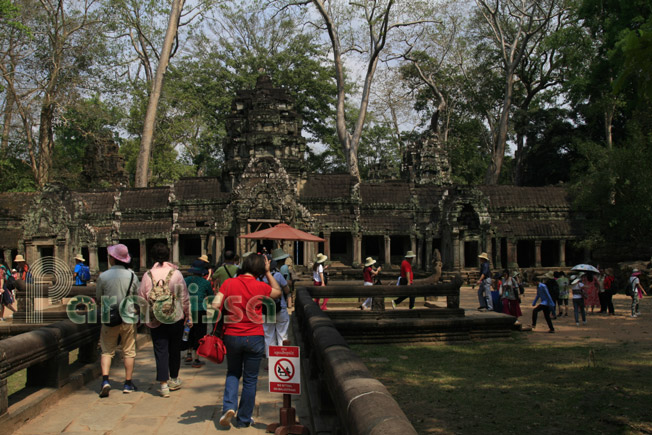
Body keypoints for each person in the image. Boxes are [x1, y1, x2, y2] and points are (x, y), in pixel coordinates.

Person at [212, 253, 281, 428]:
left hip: (232, 336)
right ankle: (243, 419)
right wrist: (267, 273)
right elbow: (278, 292)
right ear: (259, 269)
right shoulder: (260, 286)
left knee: (233, 373)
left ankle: (228, 407)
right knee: (250, 379)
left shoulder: (229, 283)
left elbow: (215, 304)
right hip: (254, 337)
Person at [138, 242, 191, 397]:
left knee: (161, 350)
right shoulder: (176, 274)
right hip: (175, 317)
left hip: (156, 319)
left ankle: (163, 384)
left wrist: (145, 317)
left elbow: (142, 297)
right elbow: (184, 297)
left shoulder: (147, 275)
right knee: (174, 349)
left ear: (152, 257)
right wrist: (188, 315)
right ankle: (174, 378)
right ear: (168, 255)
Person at [96, 244, 140, 397]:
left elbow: (99, 297)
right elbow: (137, 297)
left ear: (112, 259)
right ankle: (127, 383)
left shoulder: (103, 276)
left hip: (110, 316)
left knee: (107, 350)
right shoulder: (132, 276)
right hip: (128, 316)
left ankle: (106, 380)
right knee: (129, 351)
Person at [263, 249, 292, 358]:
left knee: (268, 335)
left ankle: (270, 360)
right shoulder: (278, 275)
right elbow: (287, 291)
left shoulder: (258, 278)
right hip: (280, 307)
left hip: (266, 309)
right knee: (282, 334)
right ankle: (281, 359)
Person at [184, 262, 213, 368]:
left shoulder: (186, 280)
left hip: (188, 309)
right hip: (200, 309)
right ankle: (196, 358)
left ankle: (188, 353)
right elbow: (210, 295)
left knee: (188, 331)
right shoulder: (205, 283)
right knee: (199, 333)